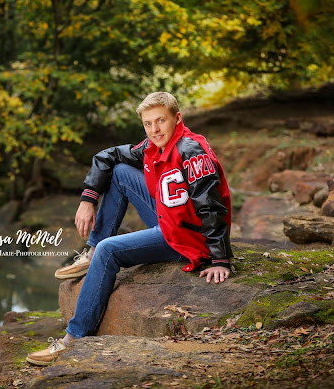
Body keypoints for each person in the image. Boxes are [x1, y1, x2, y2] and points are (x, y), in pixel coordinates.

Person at [25, 92, 233, 366]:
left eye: (161, 121)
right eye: (148, 123)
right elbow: (107, 156)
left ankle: (73, 339)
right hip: (171, 217)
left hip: (188, 237)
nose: (154, 129)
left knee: (108, 250)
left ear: (177, 118)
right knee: (121, 173)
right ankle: (91, 252)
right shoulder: (152, 146)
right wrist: (88, 198)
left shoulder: (191, 151)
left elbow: (211, 205)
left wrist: (219, 258)